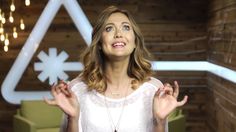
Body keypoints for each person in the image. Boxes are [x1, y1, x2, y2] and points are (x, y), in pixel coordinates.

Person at [44, 5, 188, 132]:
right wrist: (72, 119)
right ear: (99, 42)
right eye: (109, 28)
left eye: (126, 27)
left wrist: (160, 122)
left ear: (135, 42)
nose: (119, 34)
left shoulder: (154, 90)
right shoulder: (76, 90)